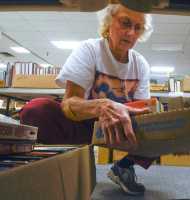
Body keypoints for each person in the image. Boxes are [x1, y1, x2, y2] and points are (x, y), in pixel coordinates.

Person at [20, 3, 154, 196]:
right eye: (125, 23)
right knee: (37, 109)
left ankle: (124, 167)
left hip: (121, 128)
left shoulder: (140, 64)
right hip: (84, 124)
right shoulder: (89, 50)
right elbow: (68, 104)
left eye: (137, 28)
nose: (131, 33)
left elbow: (144, 112)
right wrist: (102, 106)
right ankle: (63, 163)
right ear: (108, 22)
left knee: (167, 124)